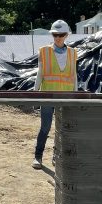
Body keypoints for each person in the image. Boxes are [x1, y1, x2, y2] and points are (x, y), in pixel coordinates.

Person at [32, 19, 77, 169]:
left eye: (61, 34)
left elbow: (74, 75)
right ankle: (38, 156)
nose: (57, 37)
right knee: (45, 127)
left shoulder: (73, 52)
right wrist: (34, 94)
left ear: (66, 35)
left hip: (66, 97)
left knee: (62, 128)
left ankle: (56, 156)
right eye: (55, 35)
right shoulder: (44, 51)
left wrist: (75, 95)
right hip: (47, 96)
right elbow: (40, 73)